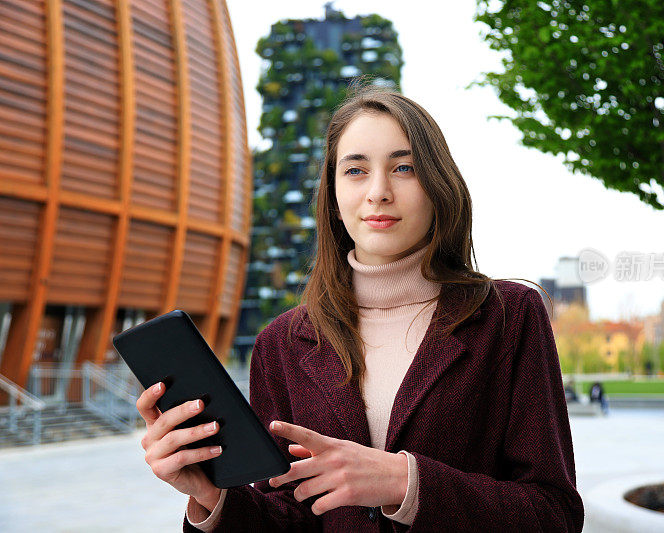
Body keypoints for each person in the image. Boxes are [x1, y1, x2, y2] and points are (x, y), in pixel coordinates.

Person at [135, 82, 584, 532]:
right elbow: (289, 519)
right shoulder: (283, 343)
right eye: (355, 170)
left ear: (438, 185)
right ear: (332, 196)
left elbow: (554, 514)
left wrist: (406, 483)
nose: (378, 192)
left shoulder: (509, 316)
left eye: (404, 167)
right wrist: (211, 497)